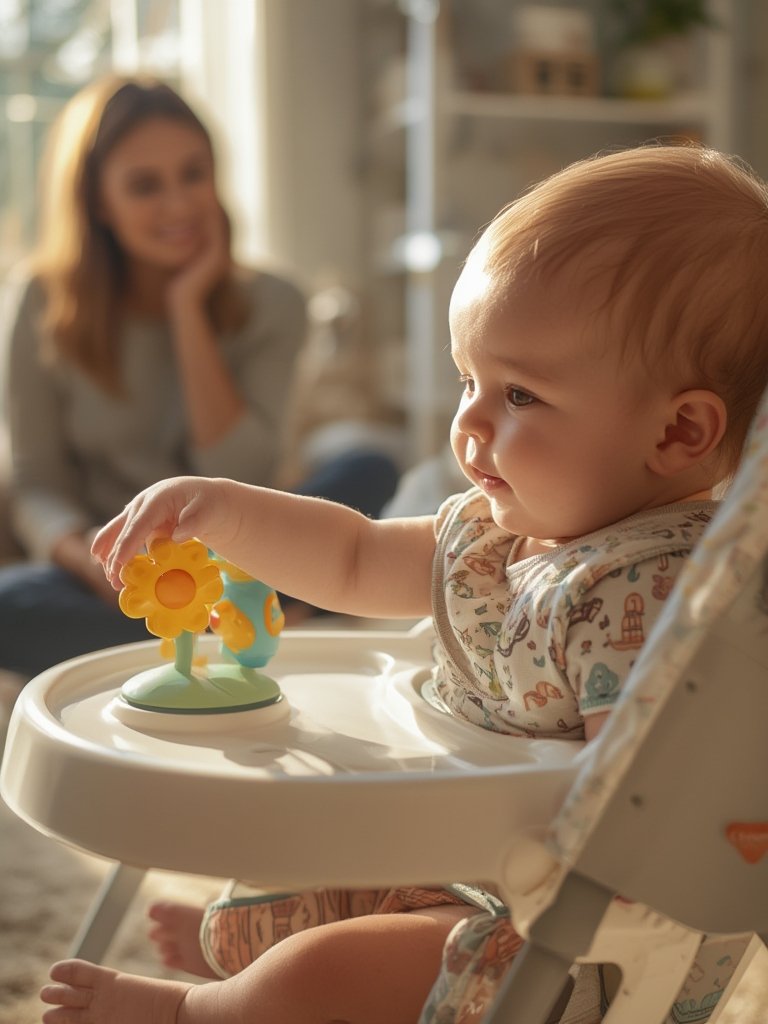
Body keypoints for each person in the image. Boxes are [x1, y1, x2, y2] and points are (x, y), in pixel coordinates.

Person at [40, 143, 768, 1024]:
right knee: (280, 884)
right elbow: (351, 556)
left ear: (680, 430)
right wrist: (225, 512)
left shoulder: (651, 600)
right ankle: (246, 967)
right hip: (449, 862)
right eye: (470, 380)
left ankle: (205, 1012)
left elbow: (635, 822)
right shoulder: (499, 533)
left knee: (319, 979)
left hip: (561, 939)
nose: (469, 422)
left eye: (521, 395)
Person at [0, 75, 398, 679]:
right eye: (144, 185)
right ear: (97, 201)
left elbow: (241, 475)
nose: (179, 204)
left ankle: (199, 632)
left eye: (193, 173)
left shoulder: (277, 304)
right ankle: (241, 629)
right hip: (108, 567)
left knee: (370, 469)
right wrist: (92, 561)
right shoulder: (39, 302)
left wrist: (188, 312)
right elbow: (35, 483)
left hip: (241, 551)